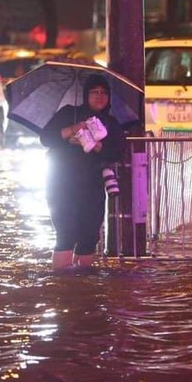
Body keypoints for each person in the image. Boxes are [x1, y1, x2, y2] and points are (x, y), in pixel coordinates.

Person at [39, 74, 127, 271]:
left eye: (104, 92)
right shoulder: (69, 113)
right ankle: (63, 285)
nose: (99, 96)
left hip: (92, 185)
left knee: (89, 234)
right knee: (66, 232)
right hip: (61, 182)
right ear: (86, 94)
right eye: (94, 92)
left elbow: (118, 151)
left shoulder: (110, 123)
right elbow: (46, 138)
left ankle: (82, 284)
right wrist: (74, 129)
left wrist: (95, 145)